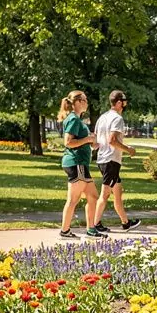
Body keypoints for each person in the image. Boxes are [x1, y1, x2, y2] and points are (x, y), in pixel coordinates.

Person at [58, 90, 106, 240]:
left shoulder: (78, 120)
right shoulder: (73, 119)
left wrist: (92, 143)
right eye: (84, 100)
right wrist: (88, 140)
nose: (87, 102)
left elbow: (82, 141)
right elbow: (68, 142)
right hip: (75, 163)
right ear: (77, 102)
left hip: (81, 164)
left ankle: (91, 230)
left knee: (92, 196)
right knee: (73, 199)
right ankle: (65, 231)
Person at [93, 89, 141, 233]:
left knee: (118, 192)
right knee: (105, 194)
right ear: (119, 102)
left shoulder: (102, 117)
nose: (125, 105)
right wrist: (128, 149)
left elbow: (95, 140)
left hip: (103, 159)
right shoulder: (117, 119)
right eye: (124, 102)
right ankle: (95, 225)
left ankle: (125, 223)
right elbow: (112, 140)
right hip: (111, 161)